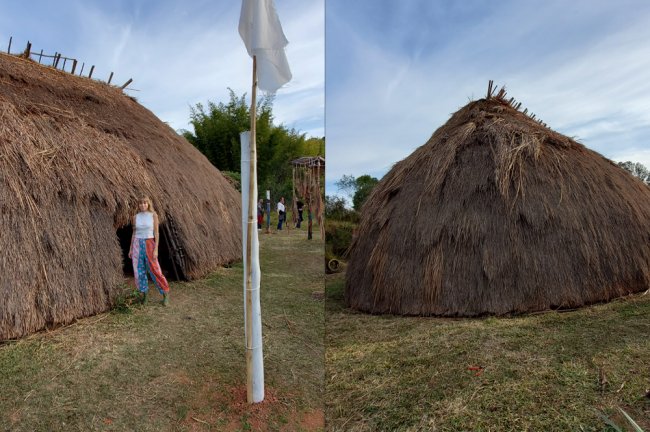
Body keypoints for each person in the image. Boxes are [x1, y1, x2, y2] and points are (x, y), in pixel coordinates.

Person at [128, 196, 170, 306]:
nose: (142, 205)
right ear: (138, 205)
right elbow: (134, 233)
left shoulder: (153, 215)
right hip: (137, 243)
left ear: (148, 204)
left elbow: (156, 233)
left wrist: (156, 249)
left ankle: (165, 294)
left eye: (145, 203)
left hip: (149, 243)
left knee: (155, 270)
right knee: (139, 271)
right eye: (140, 203)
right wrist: (131, 249)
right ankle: (145, 296)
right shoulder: (135, 217)